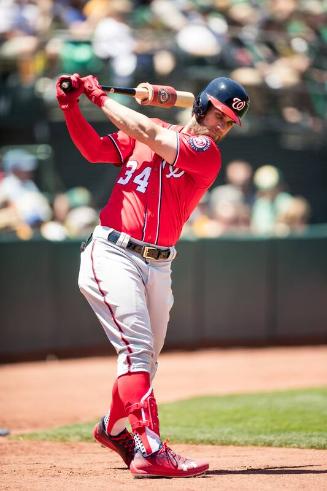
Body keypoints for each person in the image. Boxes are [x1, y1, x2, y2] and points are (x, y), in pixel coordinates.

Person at [56, 73, 249, 478]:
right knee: (138, 351)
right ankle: (151, 447)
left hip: (159, 264)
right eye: (219, 114)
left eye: (229, 121)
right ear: (201, 106)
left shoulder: (204, 152)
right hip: (112, 250)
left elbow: (144, 128)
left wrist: (97, 98)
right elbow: (94, 150)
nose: (222, 125)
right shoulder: (154, 131)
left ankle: (114, 429)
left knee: (146, 360)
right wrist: (72, 107)